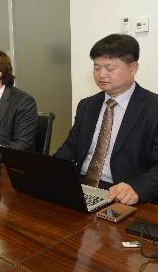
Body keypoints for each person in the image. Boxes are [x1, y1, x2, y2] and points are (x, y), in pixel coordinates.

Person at [55, 34, 158, 205]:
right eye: (96, 67)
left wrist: (138, 188)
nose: (101, 74)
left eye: (110, 68)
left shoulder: (153, 108)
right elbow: (71, 148)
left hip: (120, 193)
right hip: (80, 187)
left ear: (133, 68)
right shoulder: (87, 105)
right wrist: (49, 170)